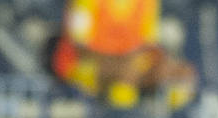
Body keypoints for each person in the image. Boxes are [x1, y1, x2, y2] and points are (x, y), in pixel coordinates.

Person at [49, 0, 195, 109]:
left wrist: (163, 64)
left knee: (181, 75)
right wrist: (120, 63)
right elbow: (79, 47)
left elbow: (148, 44)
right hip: (82, 65)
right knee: (125, 75)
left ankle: (149, 109)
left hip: (130, 66)